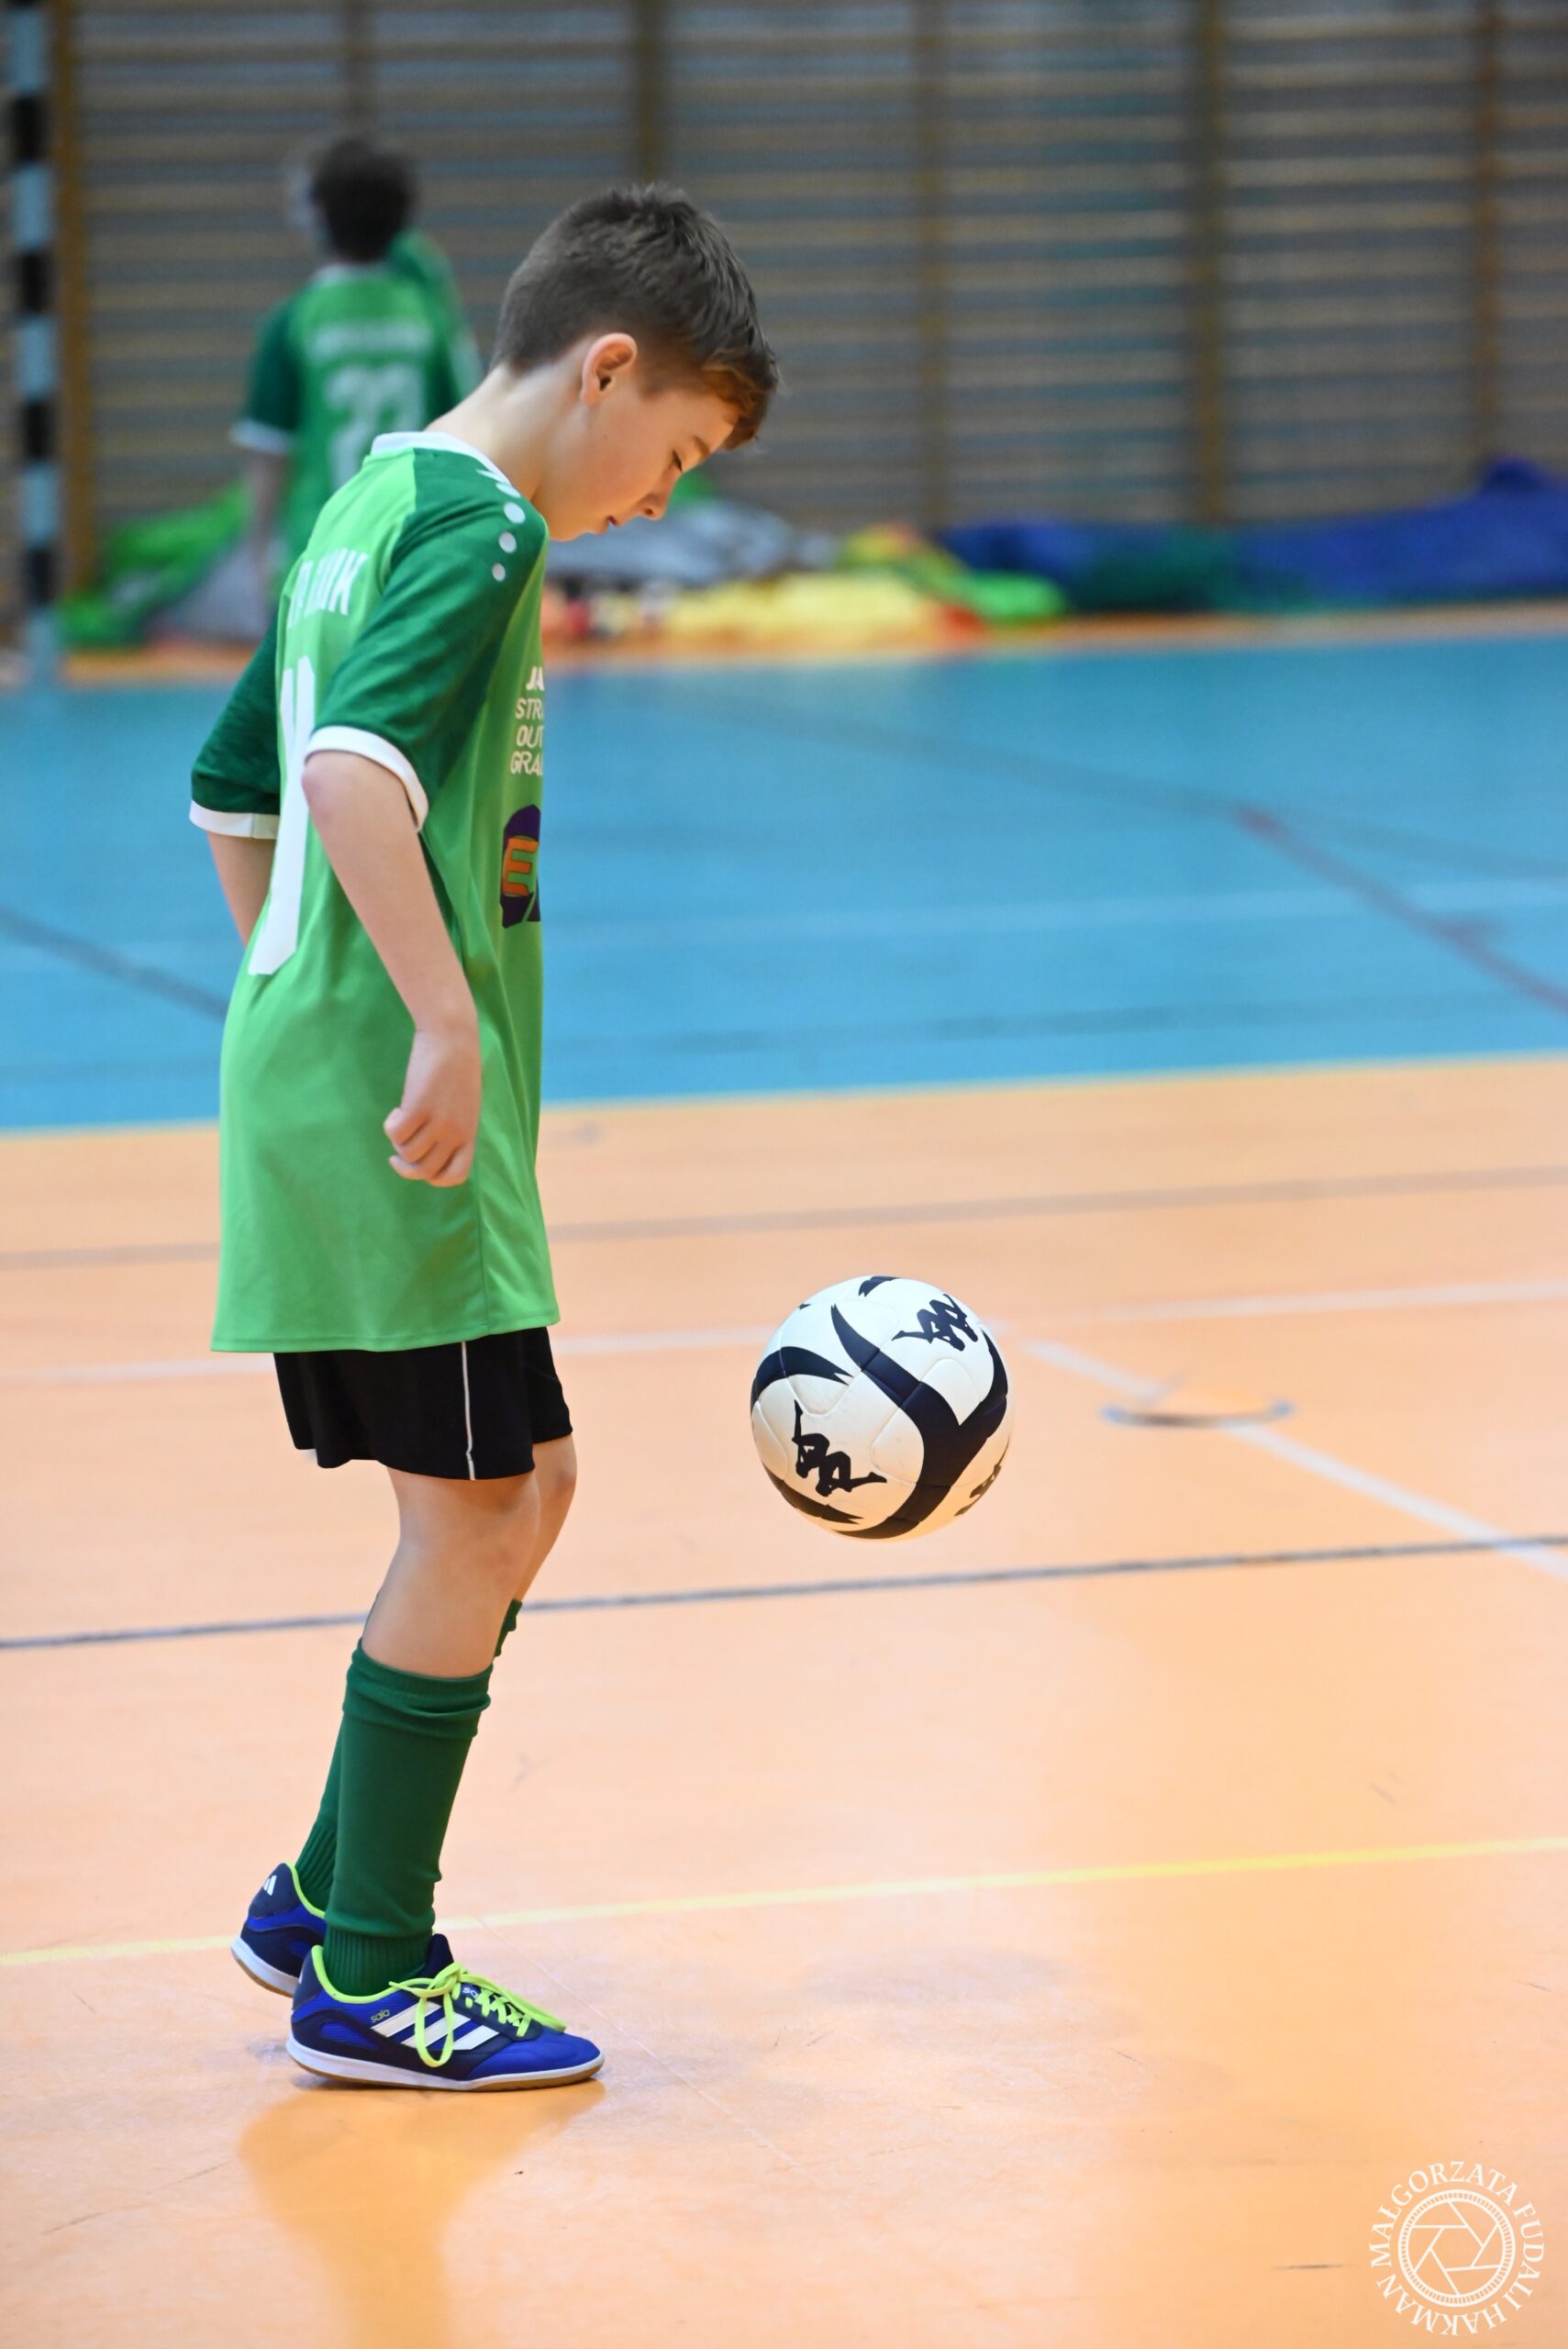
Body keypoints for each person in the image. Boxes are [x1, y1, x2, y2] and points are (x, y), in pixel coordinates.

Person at [190, 184, 778, 2089]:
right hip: (396, 1102)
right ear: (605, 371)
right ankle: (372, 1970)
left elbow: (230, 782)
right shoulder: (483, 520)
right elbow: (344, 770)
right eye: (673, 452)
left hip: (343, 1081)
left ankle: (320, 1892)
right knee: (474, 1509)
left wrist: (291, 987)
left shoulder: (366, 499)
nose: (660, 501)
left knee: (528, 1485)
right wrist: (423, 1018)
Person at [234, 136, 481, 607]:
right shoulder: (430, 317)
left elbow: (269, 453)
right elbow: (466, 431)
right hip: (412, 547)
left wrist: (259, 549)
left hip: (321, 552)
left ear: (318, 217)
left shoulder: (294, 321)